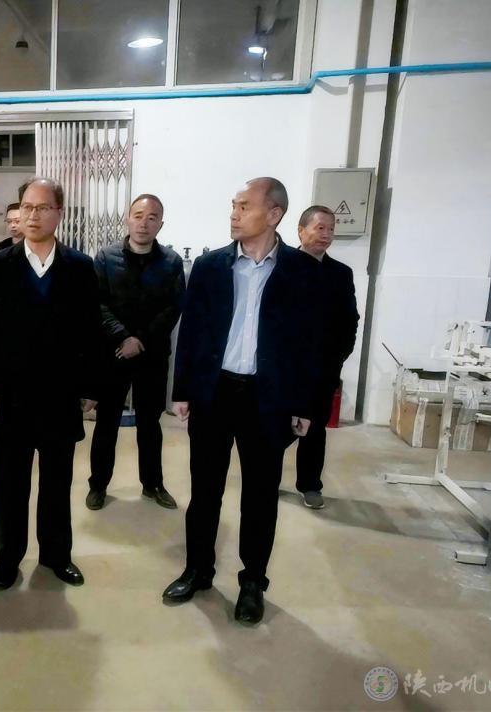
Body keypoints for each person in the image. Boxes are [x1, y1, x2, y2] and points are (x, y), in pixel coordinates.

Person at [162, 177, 323, 625]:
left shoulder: (302, 271)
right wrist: (182, 391)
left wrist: (304, 405)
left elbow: (311, 345)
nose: (234, 214)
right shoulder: (211, 266)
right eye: (233, 206)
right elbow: (192, 331)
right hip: (215, 393)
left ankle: (253, 583)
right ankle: (198, 570)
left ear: (273, 215)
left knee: (260, 496)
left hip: (268, 399)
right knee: (205, 491)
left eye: (244, 206)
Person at [0, 177, 102, 590]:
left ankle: (56, 555)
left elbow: (91, 331)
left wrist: (90, 387)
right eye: (27, 207)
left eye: (42, 208)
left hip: (61, 395)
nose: (32, 215)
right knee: (10, 484)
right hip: (12, 396)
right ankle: (7, 558)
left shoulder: (80, 267)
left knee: (57, 482)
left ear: (59, 214)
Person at [87, 194, 185, 511]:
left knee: (150, 423)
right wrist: (122, 337)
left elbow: (173, 308)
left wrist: (139, 340)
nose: (144, 223)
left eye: (152, 217)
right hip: (113, 354)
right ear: (128, 219)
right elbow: (97, 303)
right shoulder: (106, 257)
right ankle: (98, 485)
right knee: (106, 422)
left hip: (152, 355)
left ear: (161, 224)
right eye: (138, 215)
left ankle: (152, 484)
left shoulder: (171, 262)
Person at [292, 205, 358, 510]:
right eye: (320, 228)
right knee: (272, 428)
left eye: (331, 229)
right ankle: (263, 479)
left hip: (323, 368)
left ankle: (310, 485)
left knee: (315, 428)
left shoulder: (341, 274)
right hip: (285, 366)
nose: (327, 235)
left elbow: (350, 320)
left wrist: (338, 356)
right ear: (301, 230)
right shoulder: (282, 266)